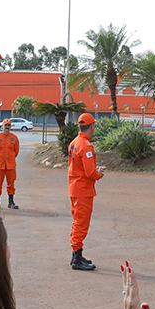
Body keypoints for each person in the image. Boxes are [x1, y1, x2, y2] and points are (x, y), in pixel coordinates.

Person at [68, 113, 104, 271]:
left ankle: (76, 255)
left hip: (75, 188)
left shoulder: (75, 142)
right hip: (83, 189)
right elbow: (90, 173)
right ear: (91, 127)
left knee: (77, 222)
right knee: (81, 223)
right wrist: (99, 174)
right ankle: (77, 257)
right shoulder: (85, 146)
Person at [0, 118, 21, 209]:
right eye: (6, 125)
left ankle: (11, 202)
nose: (7, 127)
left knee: (11, 184)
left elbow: (16, 151)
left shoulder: (14, 138)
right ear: (2, 126)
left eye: (9, 125)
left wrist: (10, 158)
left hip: (10, 165)